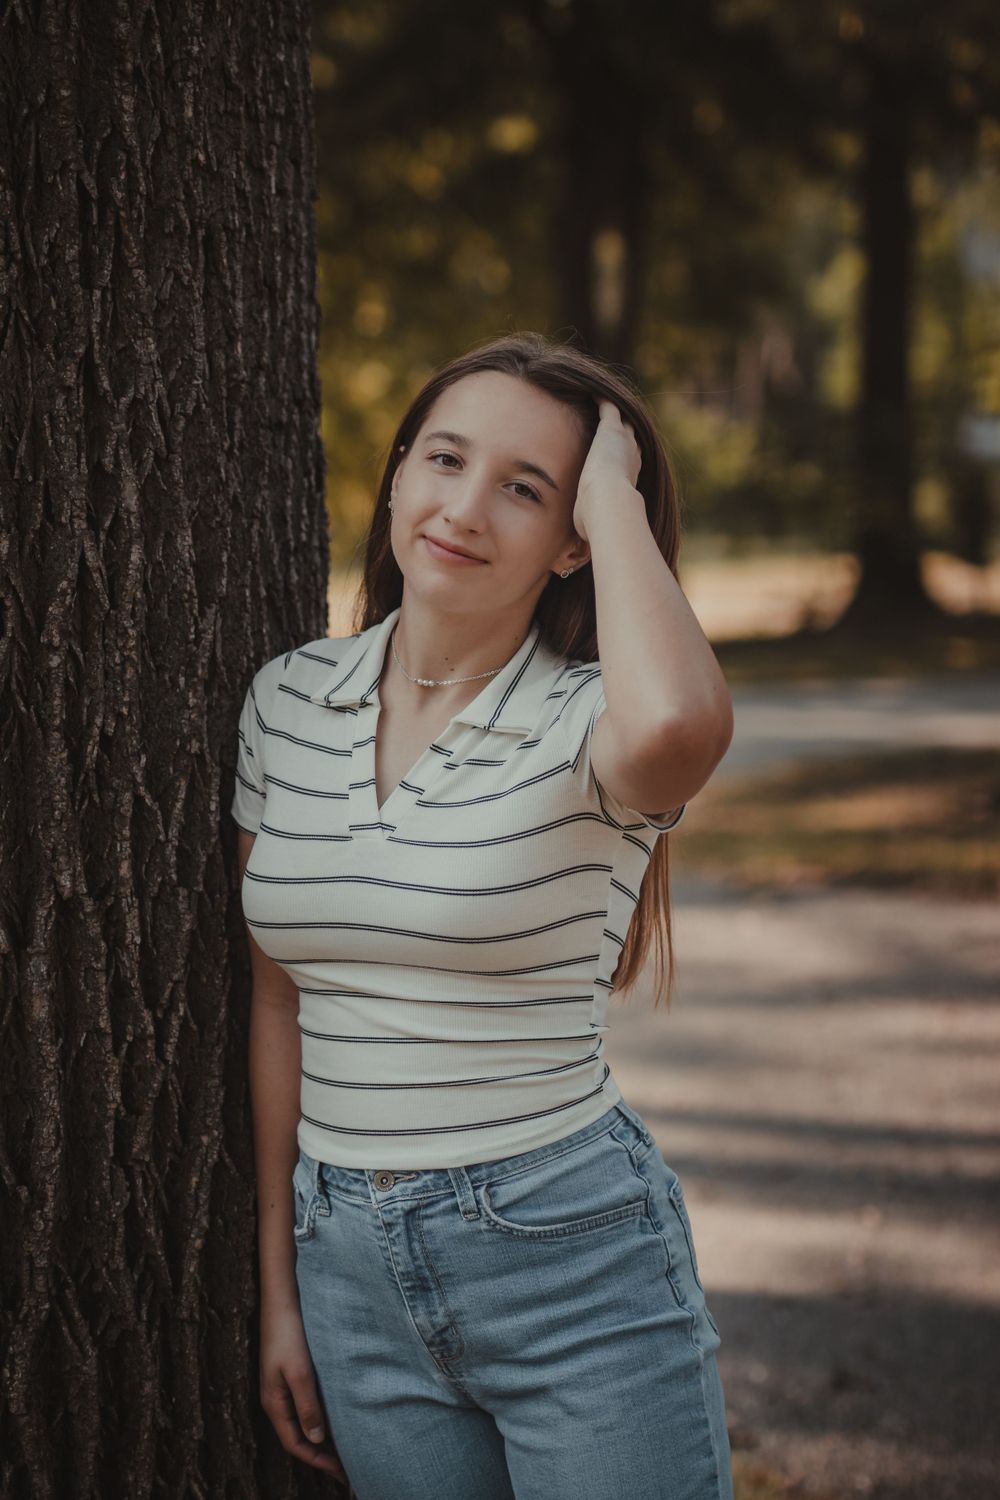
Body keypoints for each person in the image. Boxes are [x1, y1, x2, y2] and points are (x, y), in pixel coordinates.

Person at [232, 332, 735, 1499]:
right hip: (345, 1267)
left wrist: (612, 498)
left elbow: (683, 729)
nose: (463, 508)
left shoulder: (594, 721)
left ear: (572, 542)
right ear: (398, 472)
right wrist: (279, 1289)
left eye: (523, 489)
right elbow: (276, 996)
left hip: (568, 1254)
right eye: (443, 460)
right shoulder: (289, 697)